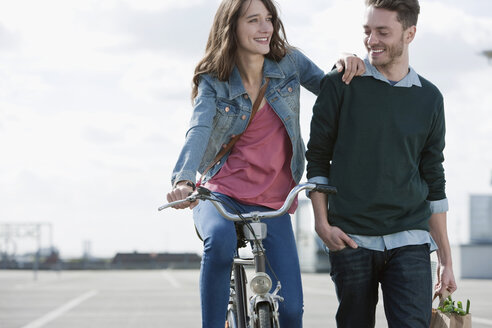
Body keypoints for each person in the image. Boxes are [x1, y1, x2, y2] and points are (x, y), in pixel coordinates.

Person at [166, 0, 365, 327]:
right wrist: (184, 180)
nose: (265, 28)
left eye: (269, 19)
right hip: (220, 195)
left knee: (290, 312)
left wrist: (344, 62)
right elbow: (199, 129)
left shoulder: (290, 63)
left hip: (273, 202)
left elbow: (330, 89)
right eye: (253, 20)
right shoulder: (213, 79)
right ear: (232, 27)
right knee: (220, 243)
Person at [305, 0, 457, 327]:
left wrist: (445, 259)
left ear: (410, 33)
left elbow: (434, 178)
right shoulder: (339, 85)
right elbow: (317, 158)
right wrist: (321, 224)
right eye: (367, 31)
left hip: (412, 241)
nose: (372, 40)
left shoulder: (430, 98)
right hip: (351, 238)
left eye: (383, 32)